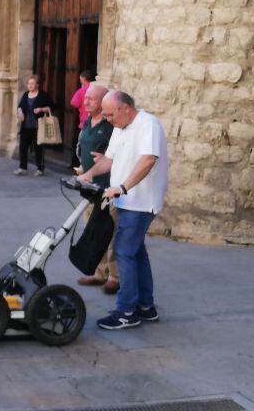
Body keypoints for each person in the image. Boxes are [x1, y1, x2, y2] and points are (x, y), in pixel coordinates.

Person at [79, 90, 169, 330]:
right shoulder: (119, 127)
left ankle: (126, 311)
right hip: (125, 201)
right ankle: (146, 307)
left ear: (125, 108)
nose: (107, 119)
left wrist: (123, 187)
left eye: (110, 115)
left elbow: (148, 159)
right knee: (136, 251)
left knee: (123, 251)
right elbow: (109, 160)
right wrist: (88, 174)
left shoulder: (148, 124)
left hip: (141, 202)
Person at [73, 83, 119, 294]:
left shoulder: (111, 126)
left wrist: (109, 161)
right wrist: (82, 167)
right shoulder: (87, 122)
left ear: (103, 102)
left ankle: (115, 277)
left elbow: (122, 153)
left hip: (108, 188)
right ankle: (99, 273)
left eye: (91, 98)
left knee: (109, 233)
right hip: (90, 187)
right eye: (86, 98)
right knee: (93, 232)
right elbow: (83, 147)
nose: (86, 101)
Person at [14, 75, 54, 177]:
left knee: (38, 148)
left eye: (32, 83)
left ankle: (40, 168)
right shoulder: (25, 94)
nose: (30, 85)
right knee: (23, 146)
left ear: (37, 85)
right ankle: (22, 168)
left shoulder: (43, 95)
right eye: (29, 83)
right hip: (26, 125)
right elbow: (20, 106)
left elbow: (51, 107)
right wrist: (20, 112)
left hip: (38, 126)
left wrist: (41, 109)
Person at [69, 69, 96, 166]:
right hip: (96, 122)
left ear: (83, 78)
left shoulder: (82, 91)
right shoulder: (97, 90)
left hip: (84, 122)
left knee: (79, 145)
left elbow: (74, 103)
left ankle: (78, 165)